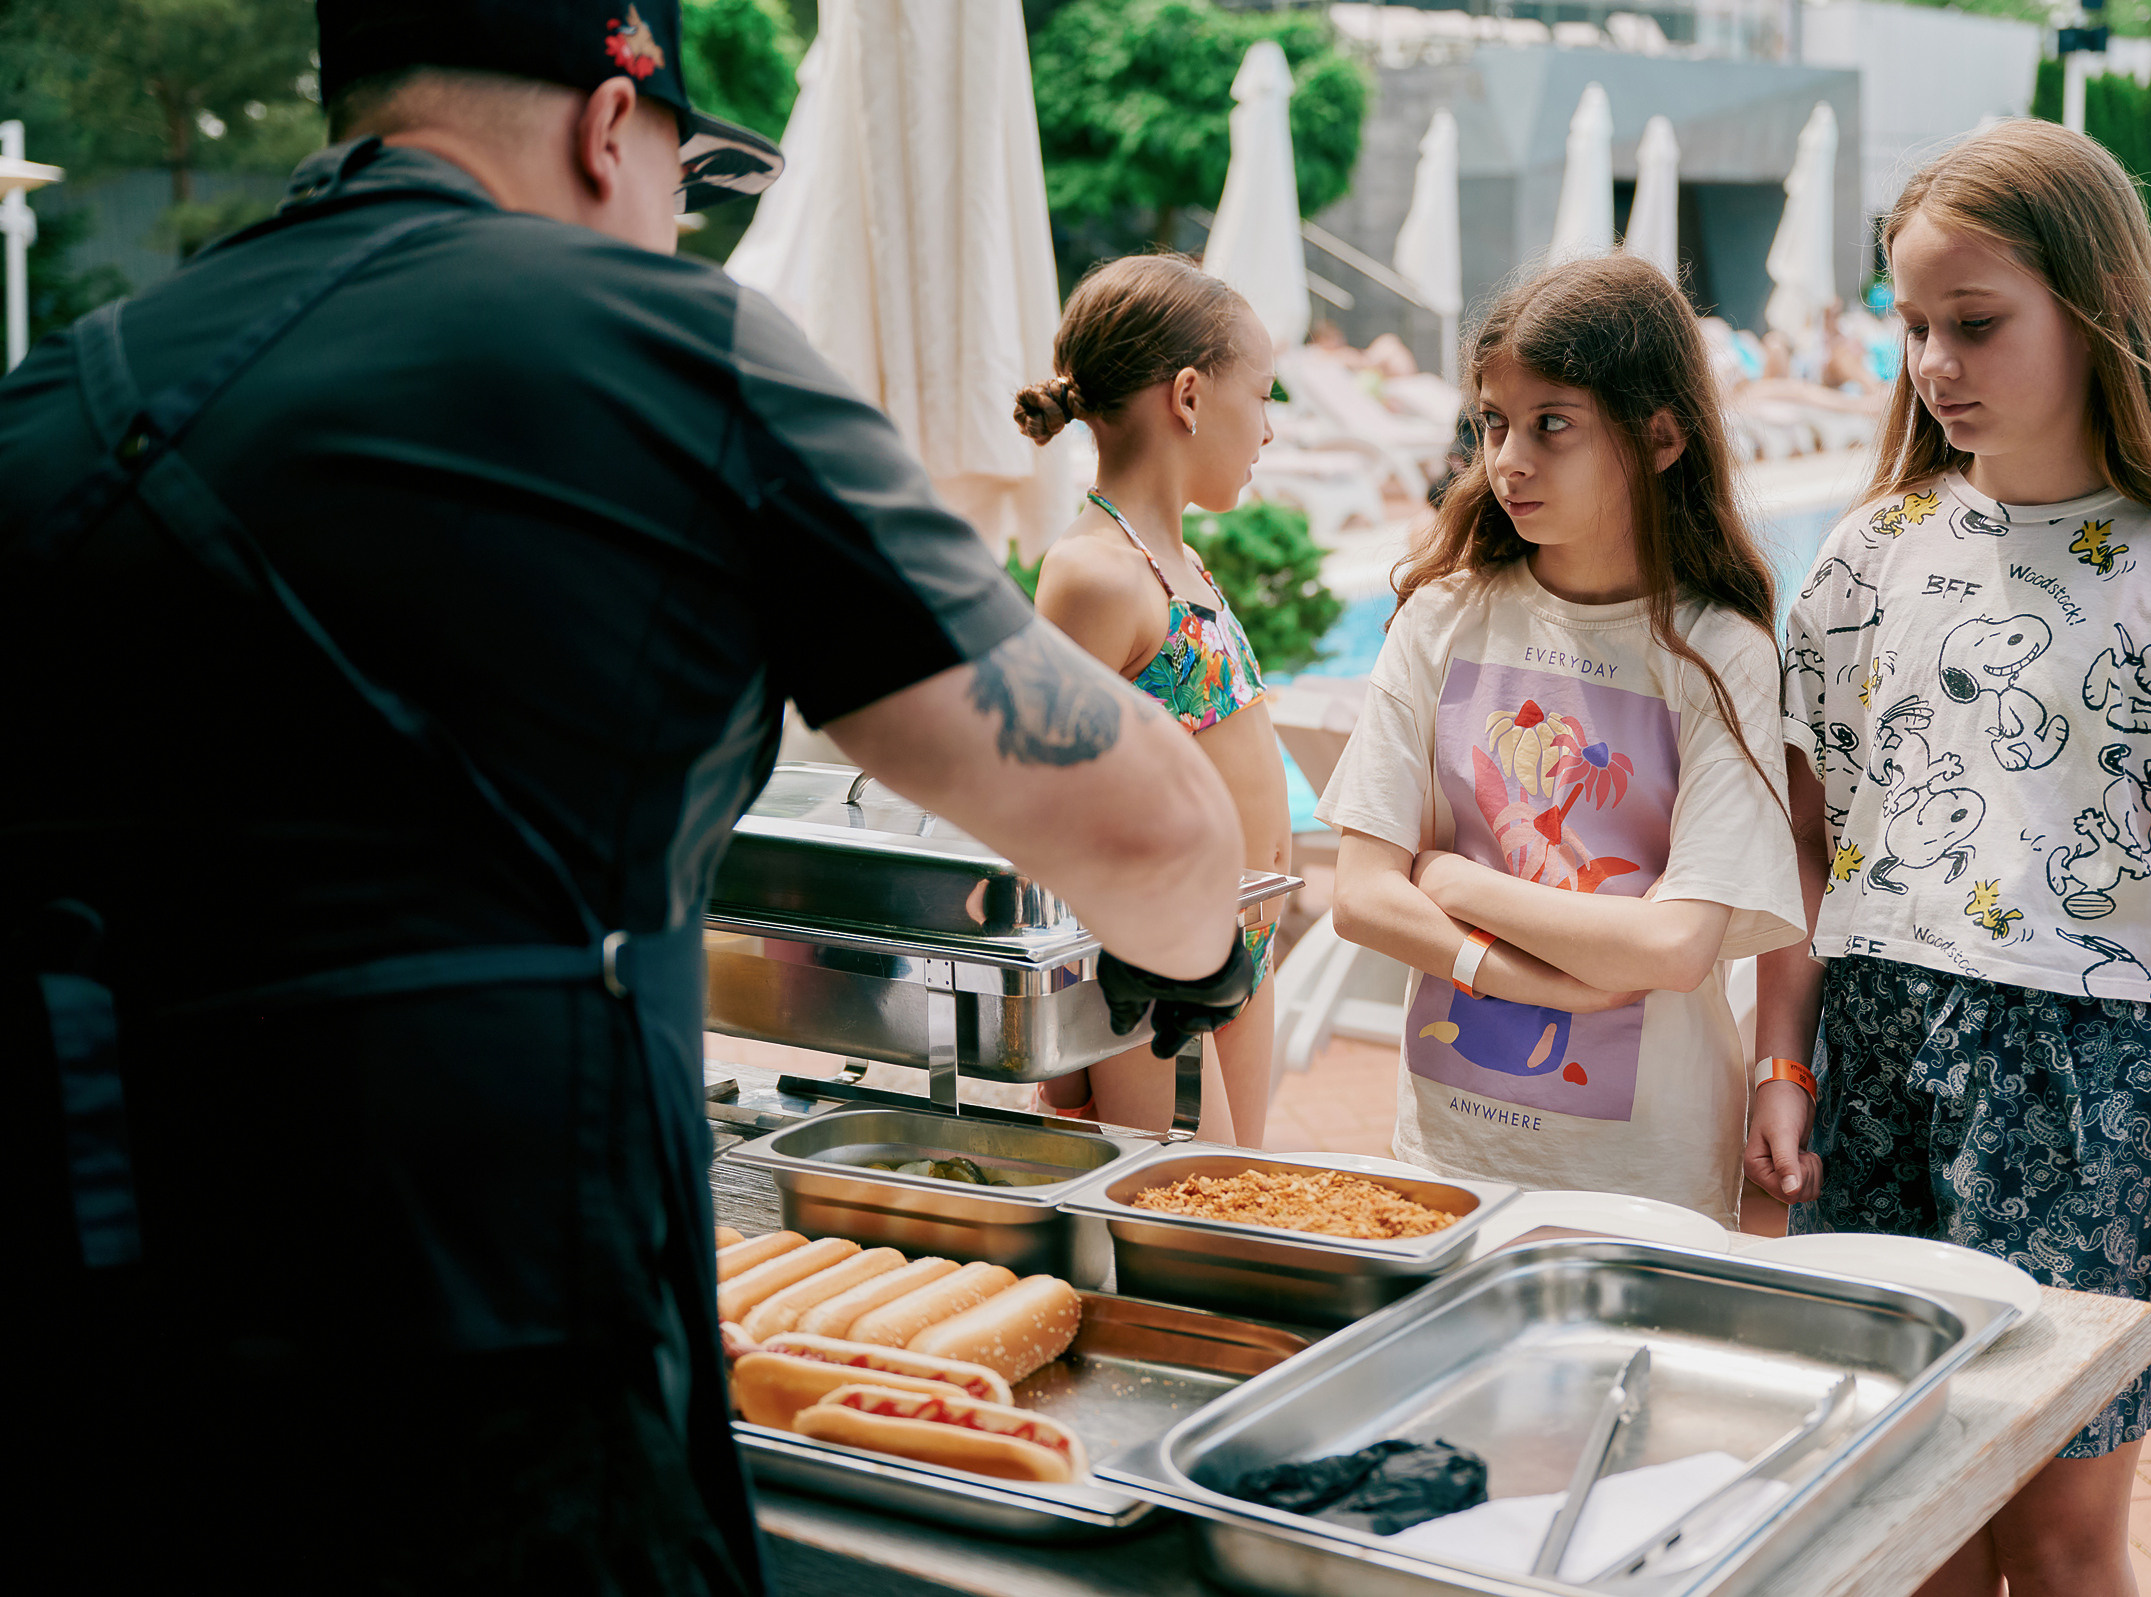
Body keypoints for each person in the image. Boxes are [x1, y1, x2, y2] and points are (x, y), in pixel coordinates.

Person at [0, 2, 1251, 1590]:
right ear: (611, 125)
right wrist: (1200, 957)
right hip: (500, 1403)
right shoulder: (671, 347)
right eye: (687, 183)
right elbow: (1153, 831)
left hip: (103, 1400)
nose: (681, 226)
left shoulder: (59, 395)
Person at [1750, 120, 2151, 1597]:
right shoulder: (1865, 556)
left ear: (2095, 310)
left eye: (1974, 324)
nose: (1933, 364)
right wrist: (1786, 1064)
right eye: (1912, 326)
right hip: (1878, 1063)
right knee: (1907, 1522)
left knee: (2062, 1544)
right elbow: (1807, 848)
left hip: (2103, 1092)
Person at [1317, 255, 1806, 1226]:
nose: (1508, 460)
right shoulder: (1443, 617)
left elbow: (1675, 944)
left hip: (1646, 1176)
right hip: (1447, 1154)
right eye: (1494, 423)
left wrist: (1454, 885)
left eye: (1552, 425)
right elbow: (1361, 897)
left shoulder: (1718, 652)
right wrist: (1523, 976)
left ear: (1660, 437)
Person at [1013, 256, 1288, 1146]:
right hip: (1155, 969)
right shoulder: (1095, 573)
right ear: (1190, 396)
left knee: (1243, 1207)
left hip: (1242, 947)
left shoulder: (1177, 561)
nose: (1269, 430)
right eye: (1264, 396)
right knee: (1183, 1234)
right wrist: (1066, 1062)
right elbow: (1042, 807)